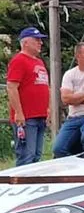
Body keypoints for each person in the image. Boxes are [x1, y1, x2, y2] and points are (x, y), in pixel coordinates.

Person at [6, 26, 50, 165]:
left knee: (36, 156)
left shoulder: (39, 62)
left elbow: (44, 87)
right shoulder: (19, 60)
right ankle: (21, 184)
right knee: (26, 156)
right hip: (27, 117)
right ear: (25, 42)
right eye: (36, 40)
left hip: (40, 115)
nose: (40, 43)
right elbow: (12, 87)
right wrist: (18, 113)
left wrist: (47, 109)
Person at [52, 42, 84, 158]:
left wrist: (75, 97)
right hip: (73, 117)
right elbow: (65, 99)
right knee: (58, 148)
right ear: (78, 56)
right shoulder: (70, 74)